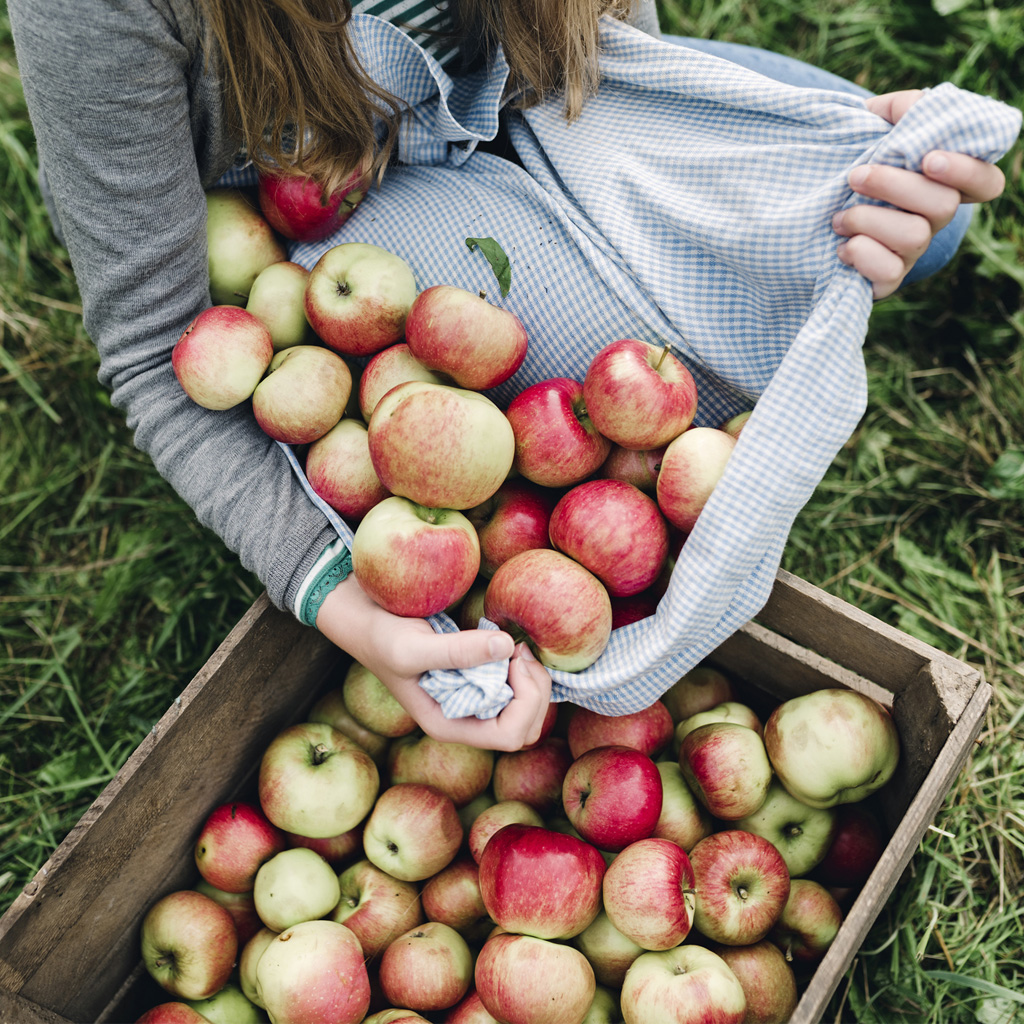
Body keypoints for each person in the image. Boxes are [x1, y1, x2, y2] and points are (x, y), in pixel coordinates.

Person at [9, 0, 1007, 751]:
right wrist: (348, 608)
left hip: (525, 95)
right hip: (335, 208)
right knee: (592, 433)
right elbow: (153, 348)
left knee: (914, 214)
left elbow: (598, 38)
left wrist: (758, 146)